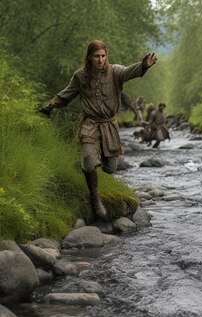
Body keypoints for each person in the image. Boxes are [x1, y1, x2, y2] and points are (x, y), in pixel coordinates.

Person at [39, 40, 157, 219]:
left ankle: (92, 164)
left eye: (103, 56)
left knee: (110, 168)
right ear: (89, 57)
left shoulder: (115, 72)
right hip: (90, 123)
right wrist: (49, 106)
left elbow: (128, 72)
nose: (100, 59)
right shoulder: (80, 76)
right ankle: (95, 197)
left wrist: (143, 66)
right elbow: (66, 94)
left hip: (109, 124)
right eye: (96, 56)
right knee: (88, 158)